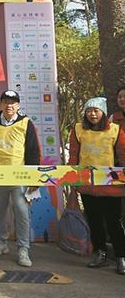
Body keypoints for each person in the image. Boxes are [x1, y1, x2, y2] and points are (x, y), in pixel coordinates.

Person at [68, 97, 125, 275]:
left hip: (111, 186)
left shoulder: (115, 130)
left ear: (103, 113)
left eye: (96, 111)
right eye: (89, 111)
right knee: (94, 220)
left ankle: (121, 257)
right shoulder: (78, 129)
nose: (92, 114)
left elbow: (122, 155)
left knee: (114, 222)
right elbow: (74, 156)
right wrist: (73, 179)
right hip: (87, 184)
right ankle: (100, 253)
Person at [0, 90, 40, 267]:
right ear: (0, 104)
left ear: (18, 105)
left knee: (21, 211)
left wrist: (34, 180)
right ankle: (1, 242)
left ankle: (23, 249)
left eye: (13, 102)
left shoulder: (26, 123)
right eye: (5, 102)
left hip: (19, 176)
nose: (9, 105)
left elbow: (33, 152)